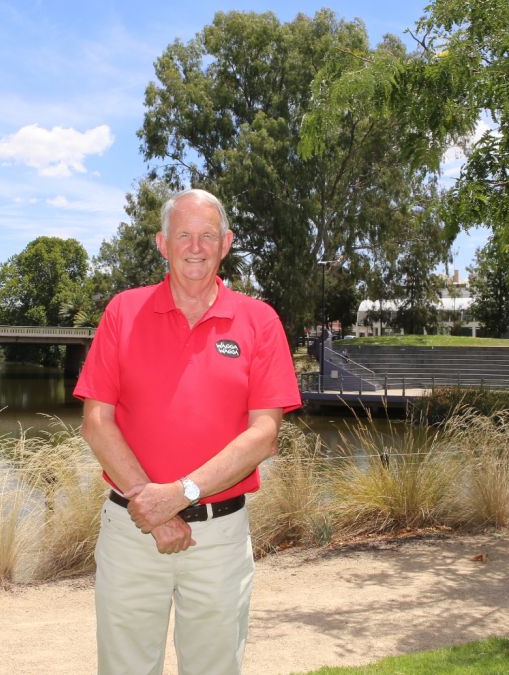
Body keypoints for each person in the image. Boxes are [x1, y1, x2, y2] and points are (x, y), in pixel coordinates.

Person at [75, 188, 301, 674]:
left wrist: (181, 493)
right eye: (183, 235)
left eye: (207, 236)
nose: (195, 247)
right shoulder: (123, 312)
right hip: (132, 532)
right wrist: (153, 509)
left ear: (226, 244)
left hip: (218, 537)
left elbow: (264, 434)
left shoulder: (259, 321)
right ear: (162, 243)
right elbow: (96, 422)